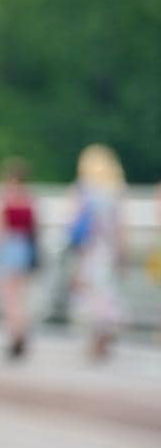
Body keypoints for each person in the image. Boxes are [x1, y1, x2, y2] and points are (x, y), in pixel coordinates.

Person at [66, 143, 127, 361]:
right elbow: (120, 228)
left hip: (88, 251)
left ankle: (93, 339)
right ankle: (106, 333)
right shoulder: (115, 190)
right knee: (107, 293)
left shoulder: (82, 190)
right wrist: (122, 255)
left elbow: (74, 224)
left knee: (87, 294)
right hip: (107, 252)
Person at [0, 156, 39, 360]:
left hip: (8, 248)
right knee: (21, 297)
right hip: (25, 248)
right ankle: (21, 333)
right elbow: (35, 230)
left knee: (8, 298)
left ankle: (14, 336)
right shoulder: (30, 199)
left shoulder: (4, 199)